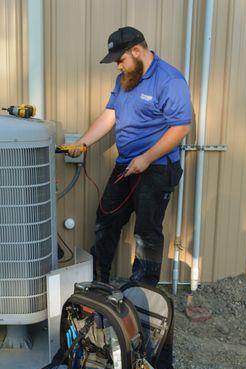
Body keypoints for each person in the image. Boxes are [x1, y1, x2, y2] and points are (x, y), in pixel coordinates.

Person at [69, 26, 192, 286]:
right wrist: (83, 142)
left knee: (146, 232)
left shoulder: (170, 80)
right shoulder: (125, 79)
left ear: (137, 51)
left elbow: (181, 126)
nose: (117, 67)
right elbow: (110, 115)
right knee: (106, 219)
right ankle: (98, 283)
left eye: (120, 60)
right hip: (126, 164)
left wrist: (147, 158)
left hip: (157, 167)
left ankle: (142, 293)